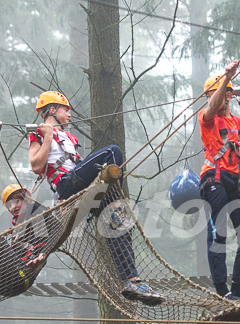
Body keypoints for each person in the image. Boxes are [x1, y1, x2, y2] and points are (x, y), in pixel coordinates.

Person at [28, 91, 164, 306]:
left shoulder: (70, 138)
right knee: (113, 152)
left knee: (118, 224)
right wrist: (46, 136)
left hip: (78, 185)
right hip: (66, 183)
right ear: (52, 110)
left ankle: (132, 280)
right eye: (66, 110)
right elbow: (36, 165)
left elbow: (78, 165)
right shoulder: (38, 133)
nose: (70, 115)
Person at [199, 61, 240, 301]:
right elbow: (212, 108)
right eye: (212, 95)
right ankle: (222, 290)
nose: (215, 99)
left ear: (229, 95)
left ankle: (236, 290)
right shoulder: (208, 118)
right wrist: (226, 78)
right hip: (214, 177)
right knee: (219, 232)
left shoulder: (237, 123)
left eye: (221, 94)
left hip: (234, 181)